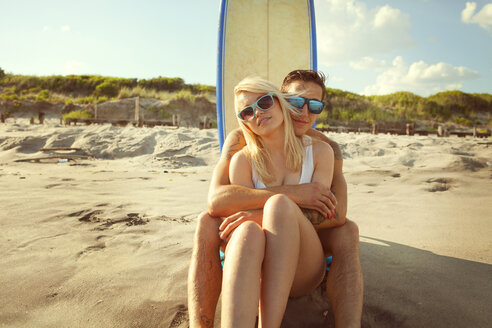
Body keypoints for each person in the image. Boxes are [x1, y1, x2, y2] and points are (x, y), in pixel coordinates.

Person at [188, 70, 363, 327]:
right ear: (282, 99)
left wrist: (263, 211)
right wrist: (295, 194)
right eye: (296, 102)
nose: (304, 112)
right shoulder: (241, 145)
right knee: (208, 222)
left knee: (347, 230)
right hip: (254, 247)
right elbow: (217, 200)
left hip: (304, 256)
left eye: (314, 105)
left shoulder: (324, 149)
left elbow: (335, 212)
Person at [220, 76, 335, 327]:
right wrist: (286, 200)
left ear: (280, 102)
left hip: (303, 268)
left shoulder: (320, 153)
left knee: (279, 205)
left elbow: (321, 211)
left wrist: (267, 211)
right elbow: (241, 220)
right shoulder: (242, 161)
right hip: (256, 267)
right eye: (247, 112)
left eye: (264, 102)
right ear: (244, 123)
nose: (257, 113)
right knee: (248, 230)